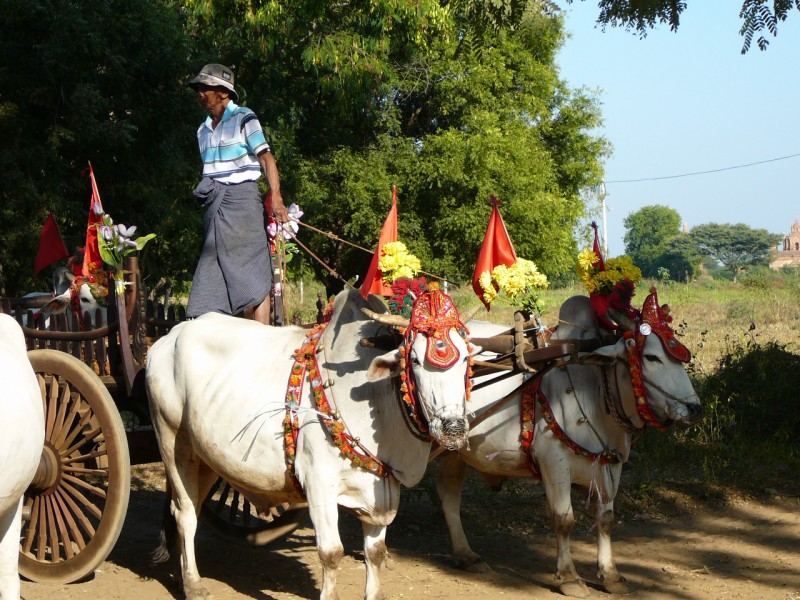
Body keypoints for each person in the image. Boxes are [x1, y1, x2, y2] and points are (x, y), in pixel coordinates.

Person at [185, 63, 289, 325]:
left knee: (251, 268)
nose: (200, 93)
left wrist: (275, 196)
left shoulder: (244, 117)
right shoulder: (202, 130)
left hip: (242, 201)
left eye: (205, 88)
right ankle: (237, 333)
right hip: (215, 205)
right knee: (219, 268)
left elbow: (266, 157)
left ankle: (260, 334)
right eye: (198, 88)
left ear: (223, 92)